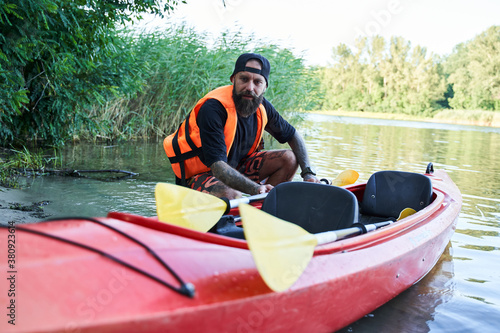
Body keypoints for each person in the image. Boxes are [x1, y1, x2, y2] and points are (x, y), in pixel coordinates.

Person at [164, 53, 320, 200]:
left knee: (290, 158)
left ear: (265, 86)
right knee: (231, 193)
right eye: (244, 79)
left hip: (237, 168)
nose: (250, 88)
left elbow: (293, 135)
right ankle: (239, 210)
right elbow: (218, 168)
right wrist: (256, 188)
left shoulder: (263, 106)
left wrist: (308, 173)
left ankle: (266, 209)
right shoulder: (213, 108)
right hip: (201, 175)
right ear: (233, 80)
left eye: (257, 82)